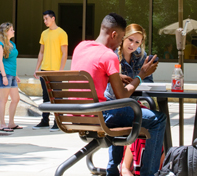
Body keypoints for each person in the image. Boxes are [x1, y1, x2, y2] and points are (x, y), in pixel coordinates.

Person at [70, 13, 164, 176]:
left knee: (123, 112)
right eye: (121, 38)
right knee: (158, 120)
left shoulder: (81, 47)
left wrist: (114, 76)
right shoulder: (110, 56)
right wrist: (140, 76)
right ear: (114, 34)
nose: (121, 43)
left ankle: (114, 170)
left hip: (77, 115)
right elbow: (122, 96)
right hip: (102, 115)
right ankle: (149, 173)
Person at [34, 10, 69, 131]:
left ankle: (58, 122)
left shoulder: (62, 33)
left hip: (56, 70)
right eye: (44, 19)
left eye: (46, 18)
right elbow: (41, 52)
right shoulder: (44, 33)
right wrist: (37, 68)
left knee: (57, 97)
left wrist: (61, 70)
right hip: (45, 69)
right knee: (45, 96)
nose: (45, 21)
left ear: (53, 18)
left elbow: (65, 54)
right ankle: (44, 120)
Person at [105, 23, 157, 100]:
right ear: (123, 37)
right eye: (130, 40)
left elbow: (148, 82)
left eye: (137, 42)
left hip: (134, 102)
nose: (132, 45)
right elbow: (112, 91)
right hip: (112, 102)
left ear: (141, 43)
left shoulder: (141, 56)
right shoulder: (113, 55)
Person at [0, 22, 22, 132]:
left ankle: (11, 123)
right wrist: (4, 76)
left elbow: (12, 61)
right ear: (6, 32)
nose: (13, 31)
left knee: (16, 99)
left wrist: (16, 75)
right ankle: (2, 124)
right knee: (4, 99)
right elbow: (0, 61)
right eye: (11, 30)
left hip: (12, 74)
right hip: (3, 74)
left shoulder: (12, 44)